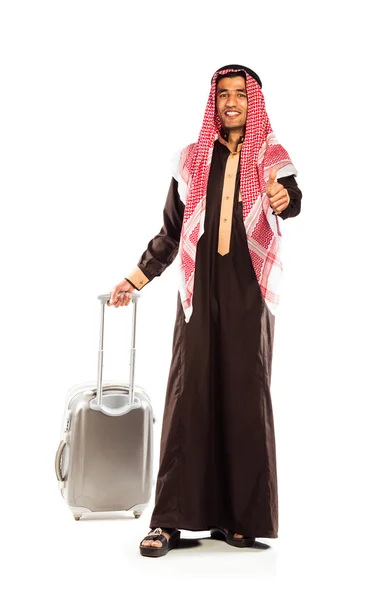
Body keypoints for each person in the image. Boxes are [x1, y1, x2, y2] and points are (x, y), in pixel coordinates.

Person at [108, 64, 302, 558]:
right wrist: (136, 278)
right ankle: (170, 522)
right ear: (213, 102)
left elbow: (291, 198)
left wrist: (283, 198)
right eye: (223, 95)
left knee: (244, 394)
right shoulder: (191, 160)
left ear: (253, 102)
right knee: (188, 393)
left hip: (248, 290)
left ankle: (241, 520)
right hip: (198, 289)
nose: (232, 102)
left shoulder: (271, 155)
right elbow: (172, 231)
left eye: (241, 94)